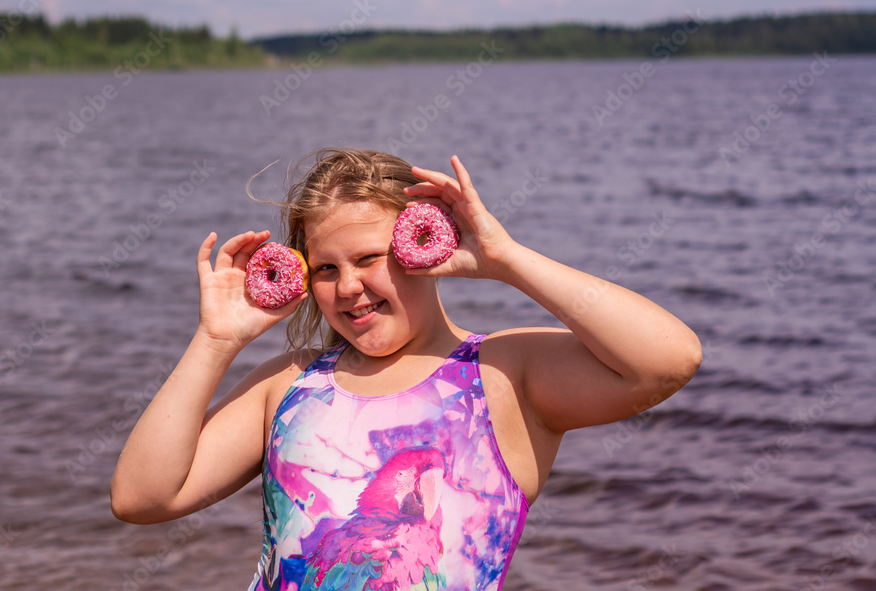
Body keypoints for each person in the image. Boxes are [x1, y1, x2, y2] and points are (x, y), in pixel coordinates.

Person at [110, 148, 702, 591]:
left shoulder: (499, 375)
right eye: (324, 269)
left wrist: (507, 260)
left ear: (428, 246)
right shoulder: (289, 383)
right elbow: (142, 497)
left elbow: (668, 359)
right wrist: (215, 341)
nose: (349, 288)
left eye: (371, 259)